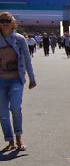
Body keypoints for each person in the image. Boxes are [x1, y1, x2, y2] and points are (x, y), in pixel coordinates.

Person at [0, 12, 37, 152]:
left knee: (15, 107)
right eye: (1, 20)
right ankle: (9, 140)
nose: (4, 23)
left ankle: (18, 136)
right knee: (2, 113)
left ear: (12, 22)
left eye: (7, 20)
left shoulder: (20, 39)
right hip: (0, 80)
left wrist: (32, 78)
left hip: (16, 79)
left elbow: (27, 59)